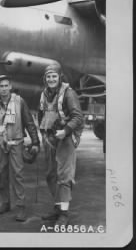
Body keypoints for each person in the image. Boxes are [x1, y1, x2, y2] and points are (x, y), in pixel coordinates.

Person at [38, 63, 84, 226]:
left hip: (65, 139)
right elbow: (41, 114)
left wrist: (65, 131)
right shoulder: (44, 94)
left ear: (59, 77)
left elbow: (78, 117)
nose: (51, 79)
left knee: (64, 177)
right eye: (48, 76)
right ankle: (57, 208)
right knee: (51, 175)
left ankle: (64, 213)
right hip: (50, 139)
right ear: (45, 78)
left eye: (54, 76)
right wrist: (43, 134)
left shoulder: (69, 94)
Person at [0, 75, 40, 221]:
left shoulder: (19, 102)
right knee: (0, 174)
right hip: (0, 143)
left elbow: (29, 122)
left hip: (16, 143)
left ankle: (21, 207)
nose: (4, 88)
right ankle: (5, 202)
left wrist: (35, 142)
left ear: (10, 86)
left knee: (17, 175)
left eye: (6, 85)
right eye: (1, 86)